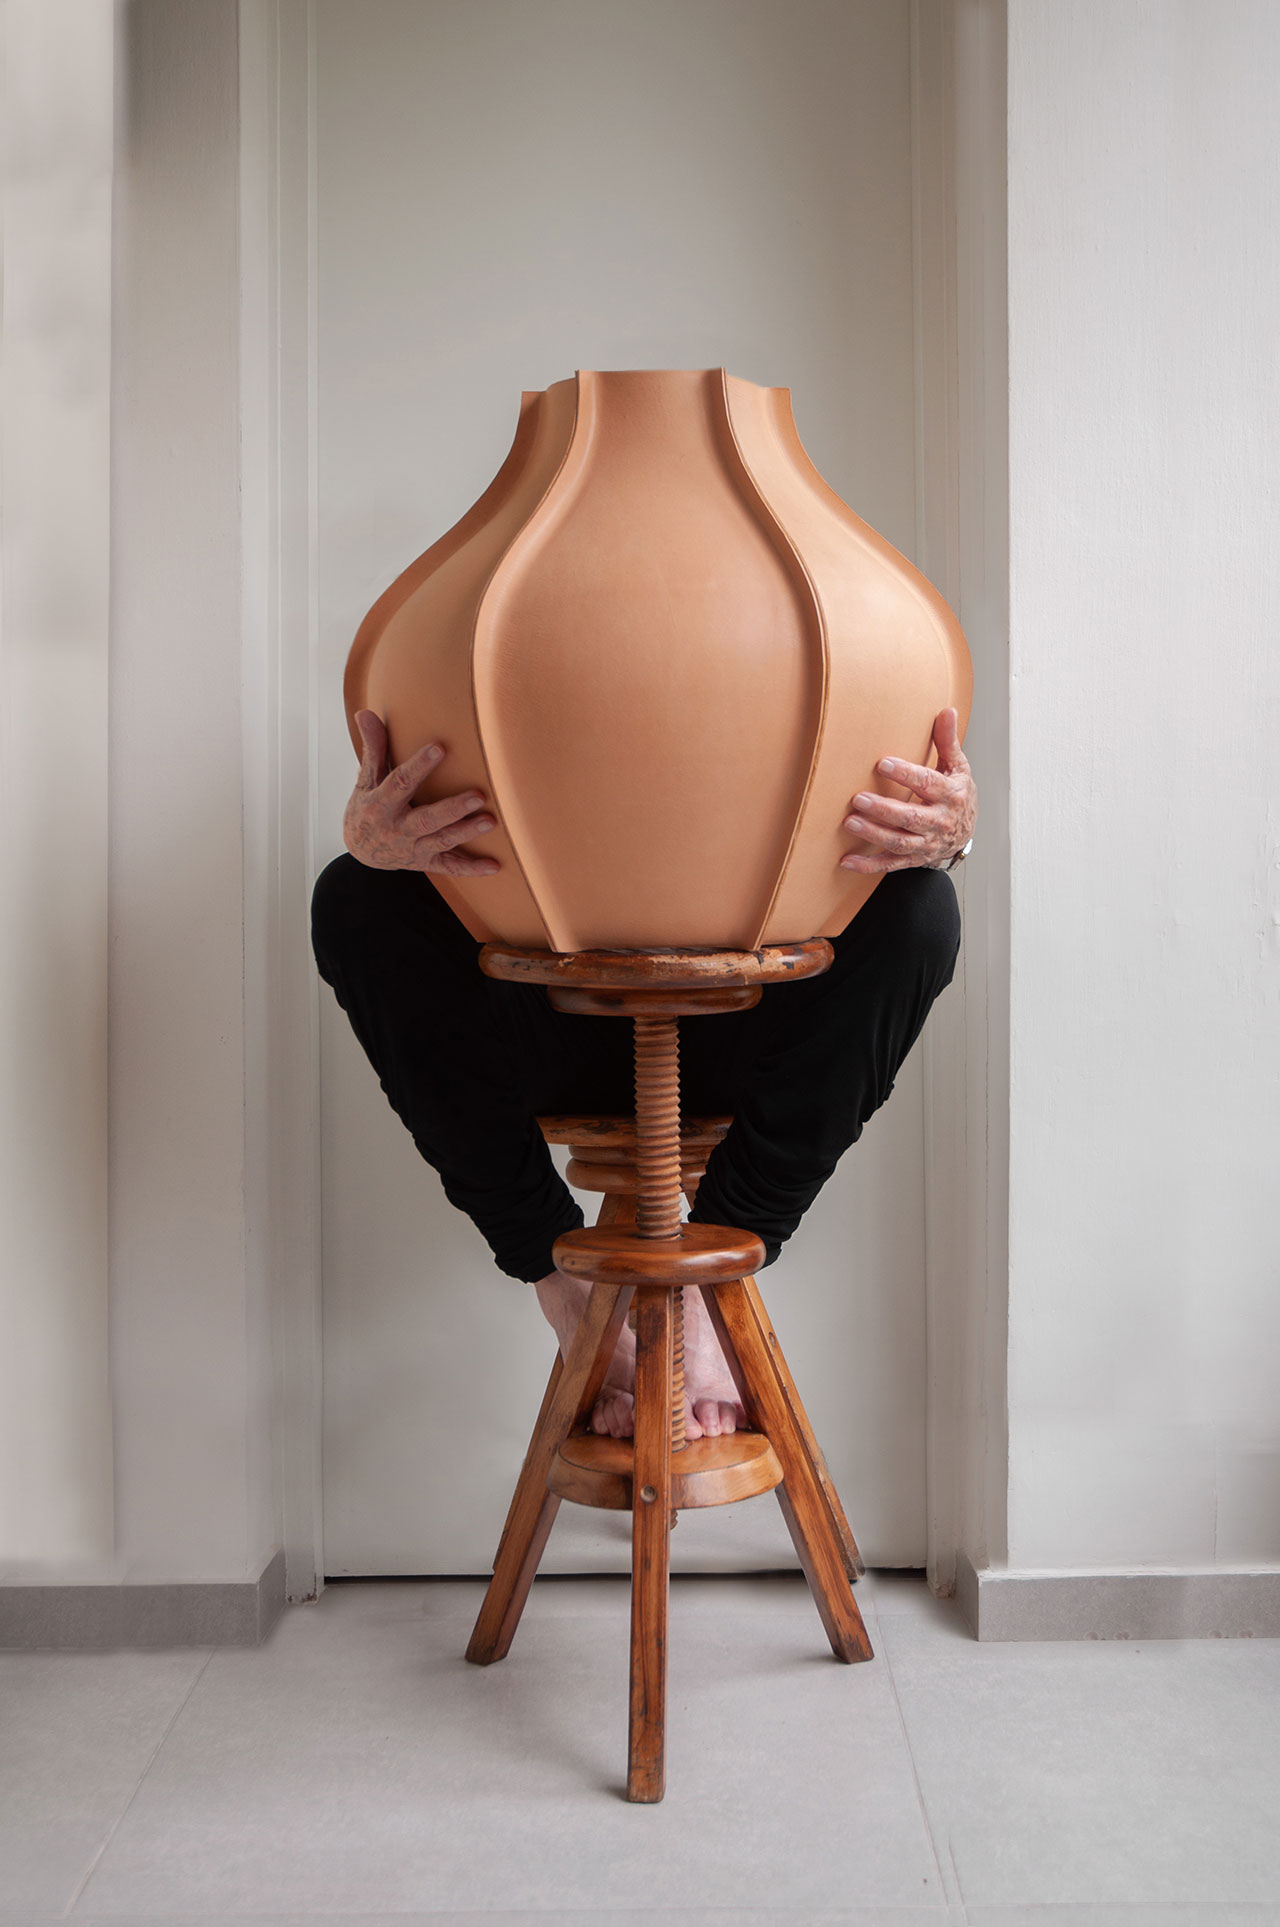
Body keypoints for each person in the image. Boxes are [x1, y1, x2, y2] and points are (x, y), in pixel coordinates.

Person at [312, 705, 977, 1443]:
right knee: (354, 894)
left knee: (922, 908)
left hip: (742, 1017)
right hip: (543, 1010)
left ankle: (713, 1285)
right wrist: (372, 844)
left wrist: (951, 836)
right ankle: (563, 1290)